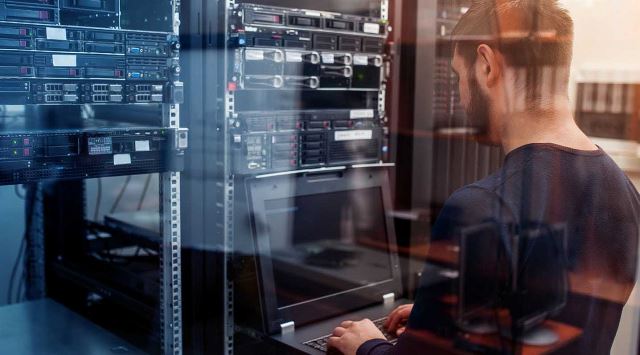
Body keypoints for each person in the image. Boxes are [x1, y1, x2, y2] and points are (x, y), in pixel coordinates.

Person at [327, 0, 640, 354]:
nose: (461, 96)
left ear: (487, 65)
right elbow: (549, 317)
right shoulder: (623, 191)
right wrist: (438, 321)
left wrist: (366, 346)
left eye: (461, 75)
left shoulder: (481, 207)